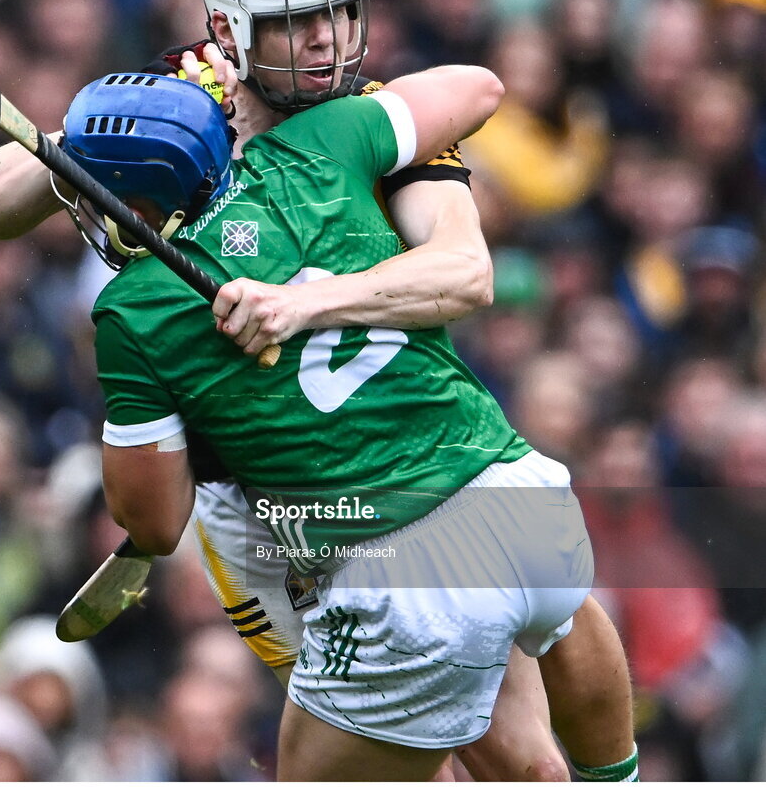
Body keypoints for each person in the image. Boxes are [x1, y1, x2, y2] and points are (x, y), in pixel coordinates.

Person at [0, 0, 637, 781]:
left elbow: (464, 273)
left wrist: (300, 307)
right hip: (258, 512)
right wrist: (92, 148)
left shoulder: (374, 125)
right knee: (442, 741)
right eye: (293, 22)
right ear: (227, 30)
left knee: (511, 756)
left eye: (339, 14)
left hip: (391, 466)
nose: (326, 42)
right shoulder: (181, 93)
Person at [56, 66, 588, 780]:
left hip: (339, 538)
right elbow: (481, 86)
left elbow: (152, 521)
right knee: (521, 756)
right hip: (467, 477)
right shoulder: (321, 142)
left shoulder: (133, 308)